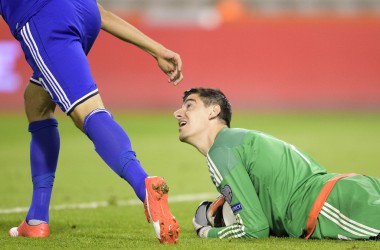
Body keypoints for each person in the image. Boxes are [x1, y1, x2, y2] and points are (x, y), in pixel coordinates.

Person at [1, 0, 182, 244]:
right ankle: (36, 219)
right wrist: (157, 49)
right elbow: (101, 12)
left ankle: (144, 186)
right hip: (84, 11)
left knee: (86, 110)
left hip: (43, 18)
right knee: (36, 101)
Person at [173, 87, 380, 240]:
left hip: (332, 206)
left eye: (189, 105)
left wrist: (207, 232)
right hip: (349, 189)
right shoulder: (239, 139)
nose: (178, 113)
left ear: (213, 111)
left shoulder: (221, 151)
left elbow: (254, 229)